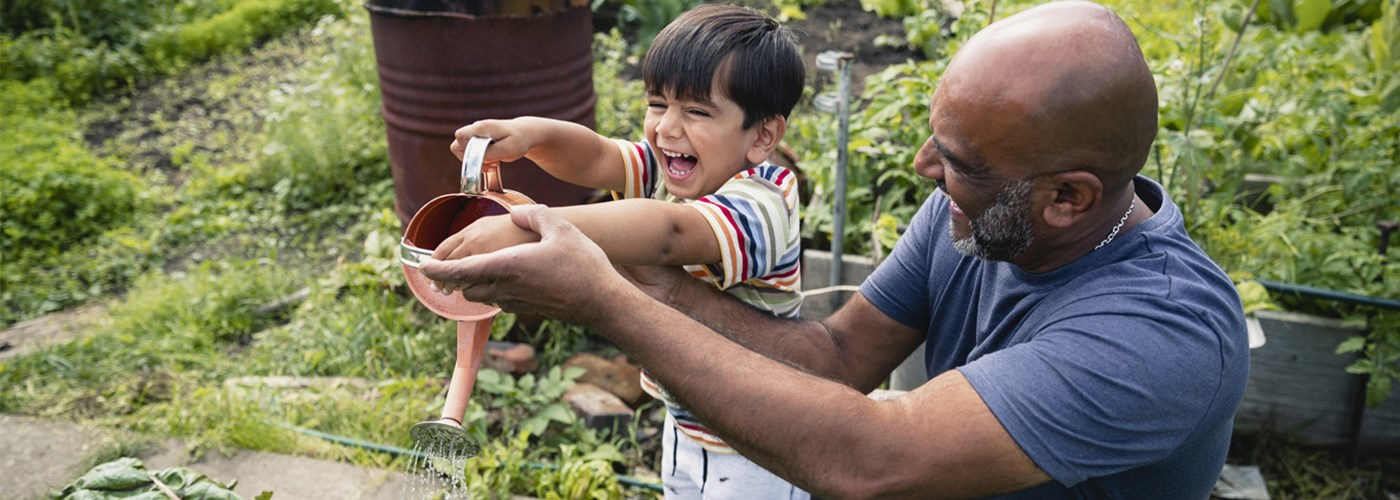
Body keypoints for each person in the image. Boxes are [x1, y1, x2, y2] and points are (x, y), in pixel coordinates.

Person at [422, 1, 1250, 498]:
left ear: (1068, 197)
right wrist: (611, 264)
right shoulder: (975, 217)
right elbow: (834, 358)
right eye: (937, 141)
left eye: (959, 164)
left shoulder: (1159, 332)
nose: (926, 171)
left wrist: (600, 292)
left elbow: (873, 461)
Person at [433, 4, 810, 498]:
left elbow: (672, 232)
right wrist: (528, 135)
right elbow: (599, 157)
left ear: (762, 135)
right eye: (658, 104)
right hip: (691, 424)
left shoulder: (764, 200)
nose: (667, 128)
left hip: (761, 446)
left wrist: (533, 228)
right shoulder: (678, 166)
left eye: (696, 111)